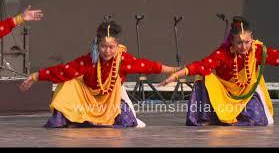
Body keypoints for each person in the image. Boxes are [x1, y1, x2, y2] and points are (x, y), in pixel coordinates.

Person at [160, 16, 279, 126]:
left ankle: (230, 116)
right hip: (221, 92)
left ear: (252, 39)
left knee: (260, 120)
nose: (244, 46)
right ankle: (212, 116)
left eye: (247, 42)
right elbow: (200, 65)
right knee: (203, 78)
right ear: (232, 42)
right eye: (239, 43)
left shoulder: (257, 50)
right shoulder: (222, 55)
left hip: (244, 93)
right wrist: (175, 75)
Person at [19, 20, 178, 128]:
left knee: (129, 121)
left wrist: (171, 70)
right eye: (103, 46)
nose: (107, 51)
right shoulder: (89, 61)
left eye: (111, 47)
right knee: (69, 83)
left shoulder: (122, 59)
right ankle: (75, 118)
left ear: (117, 45)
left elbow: (145, 65)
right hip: (86, 94)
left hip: (111, 97)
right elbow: (63, 71)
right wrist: (35, 76)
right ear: (97, 44)